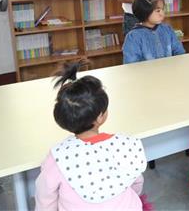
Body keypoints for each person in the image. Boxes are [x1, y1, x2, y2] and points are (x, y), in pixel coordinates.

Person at [35, 61, 147, 210]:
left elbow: (45, 198)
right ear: (100, 117)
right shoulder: (125, 145)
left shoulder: (57, 157)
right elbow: (136, 181)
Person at [122, 0, 185, 64]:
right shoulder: (133, 37)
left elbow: (180, 52)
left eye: (162, 9)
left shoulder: (167, 29)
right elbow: (131, 64)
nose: (162, 14)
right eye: (158, 11)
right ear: (144, 11)